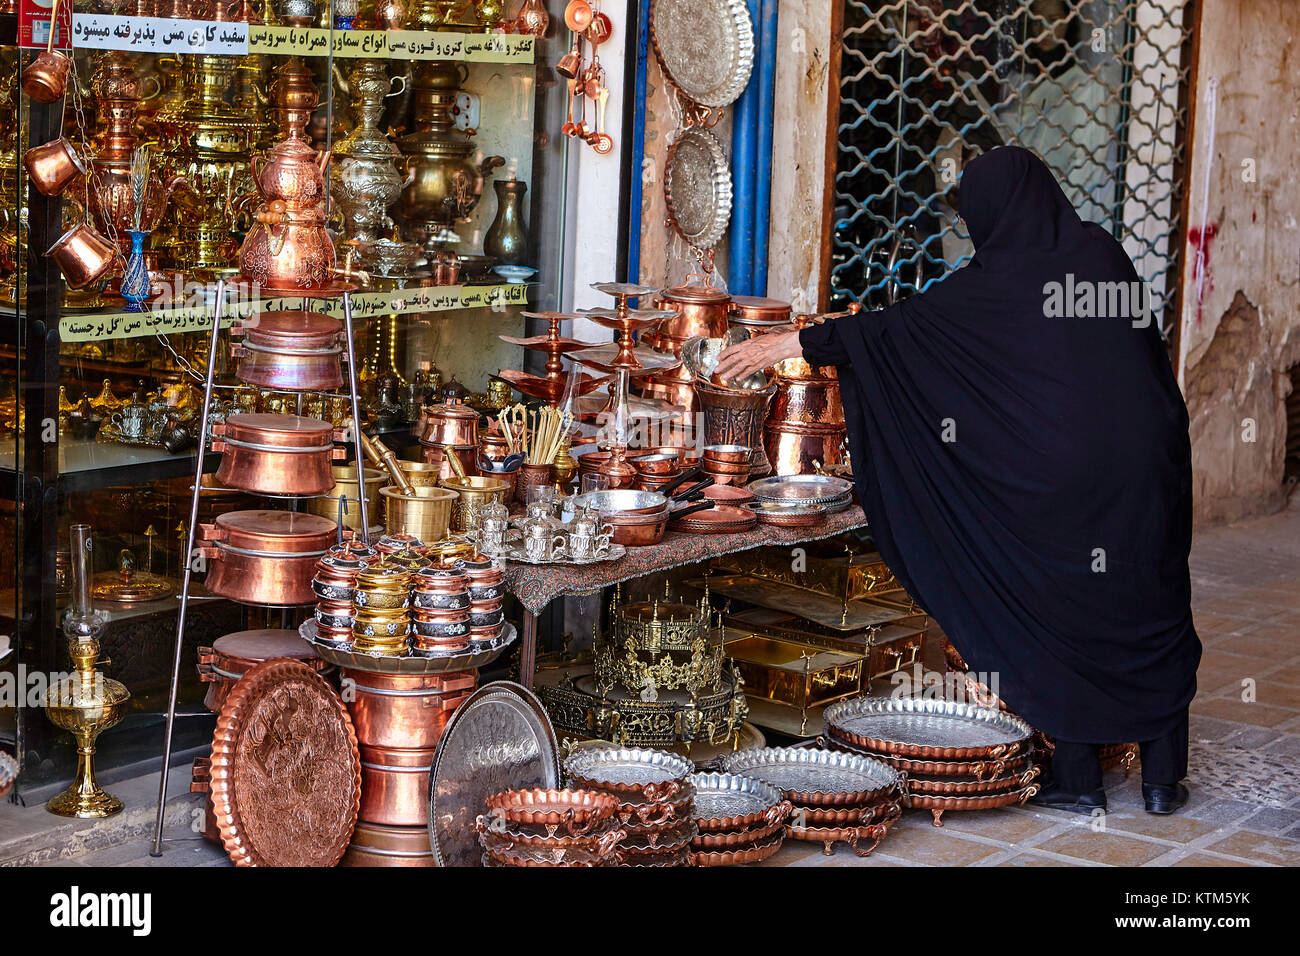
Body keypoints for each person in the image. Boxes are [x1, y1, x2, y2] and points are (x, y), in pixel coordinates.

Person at [716, 146, 1200, 815]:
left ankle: (1081, 778)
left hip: (1064, 482)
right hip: (1149, 459)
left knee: (1059, 610)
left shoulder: (994, 283)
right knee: (1149, 600)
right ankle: (1161, 780)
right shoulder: (1101, 256)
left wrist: (790, 342)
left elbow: (896, 333)